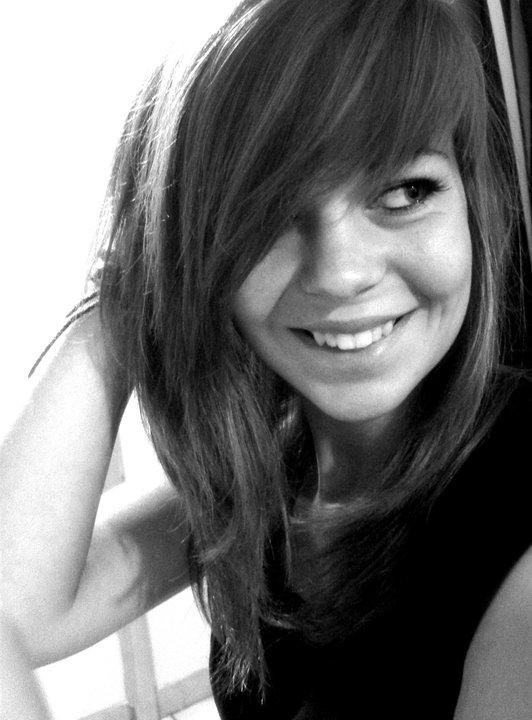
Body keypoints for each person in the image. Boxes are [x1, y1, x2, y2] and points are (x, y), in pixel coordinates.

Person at [1, 0, 532, 718]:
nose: (340, 274)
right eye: (269, 211)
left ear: (473, 204)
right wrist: (126, 296)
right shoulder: (271, 471)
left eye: (405, 192)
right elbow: (17, 607)